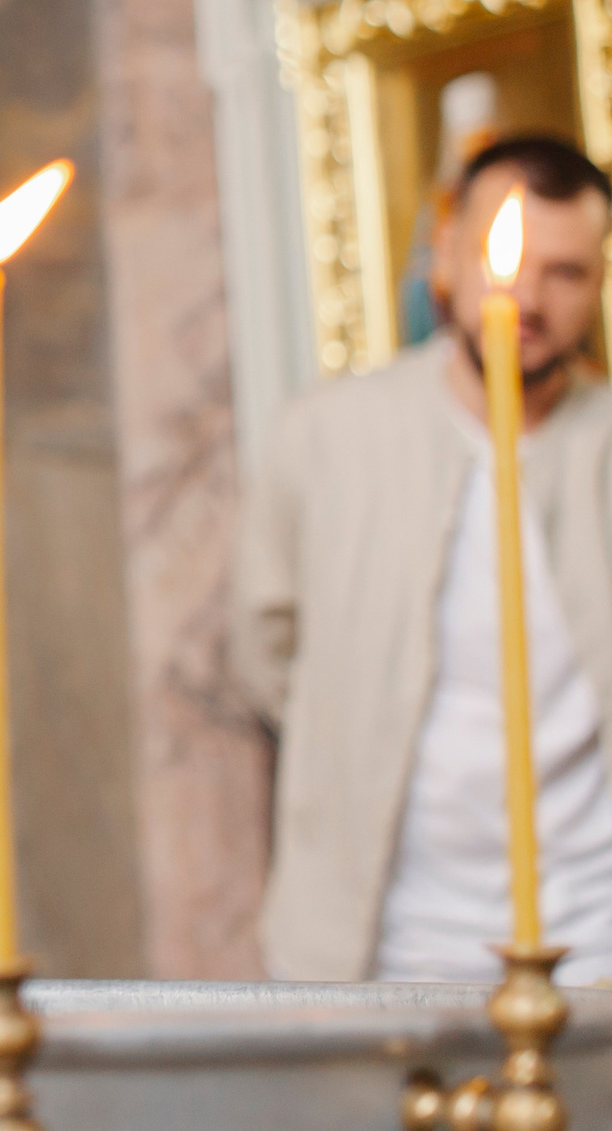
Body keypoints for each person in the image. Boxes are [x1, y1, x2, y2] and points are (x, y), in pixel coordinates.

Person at [236, 133, 612, 983]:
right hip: (393, 943)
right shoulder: (327, 437)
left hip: (594, 937)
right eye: (503, 259)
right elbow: (267, 651)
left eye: (565, 272)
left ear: (598, 282)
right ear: (446, 253)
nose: (527, 299)